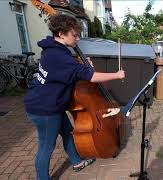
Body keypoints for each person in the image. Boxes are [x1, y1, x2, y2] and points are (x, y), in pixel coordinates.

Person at [24, 14, 125, 180]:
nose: (77, 38)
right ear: (62, 34)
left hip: (48, 104)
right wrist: (116, 75)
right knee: (46, 147)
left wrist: (81, 66)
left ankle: (77, 162)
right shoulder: (60, 56)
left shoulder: (52, 49)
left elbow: (66, 71)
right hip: (45, 109)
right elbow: (90, 77)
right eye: (74, 35)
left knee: (68, 132)